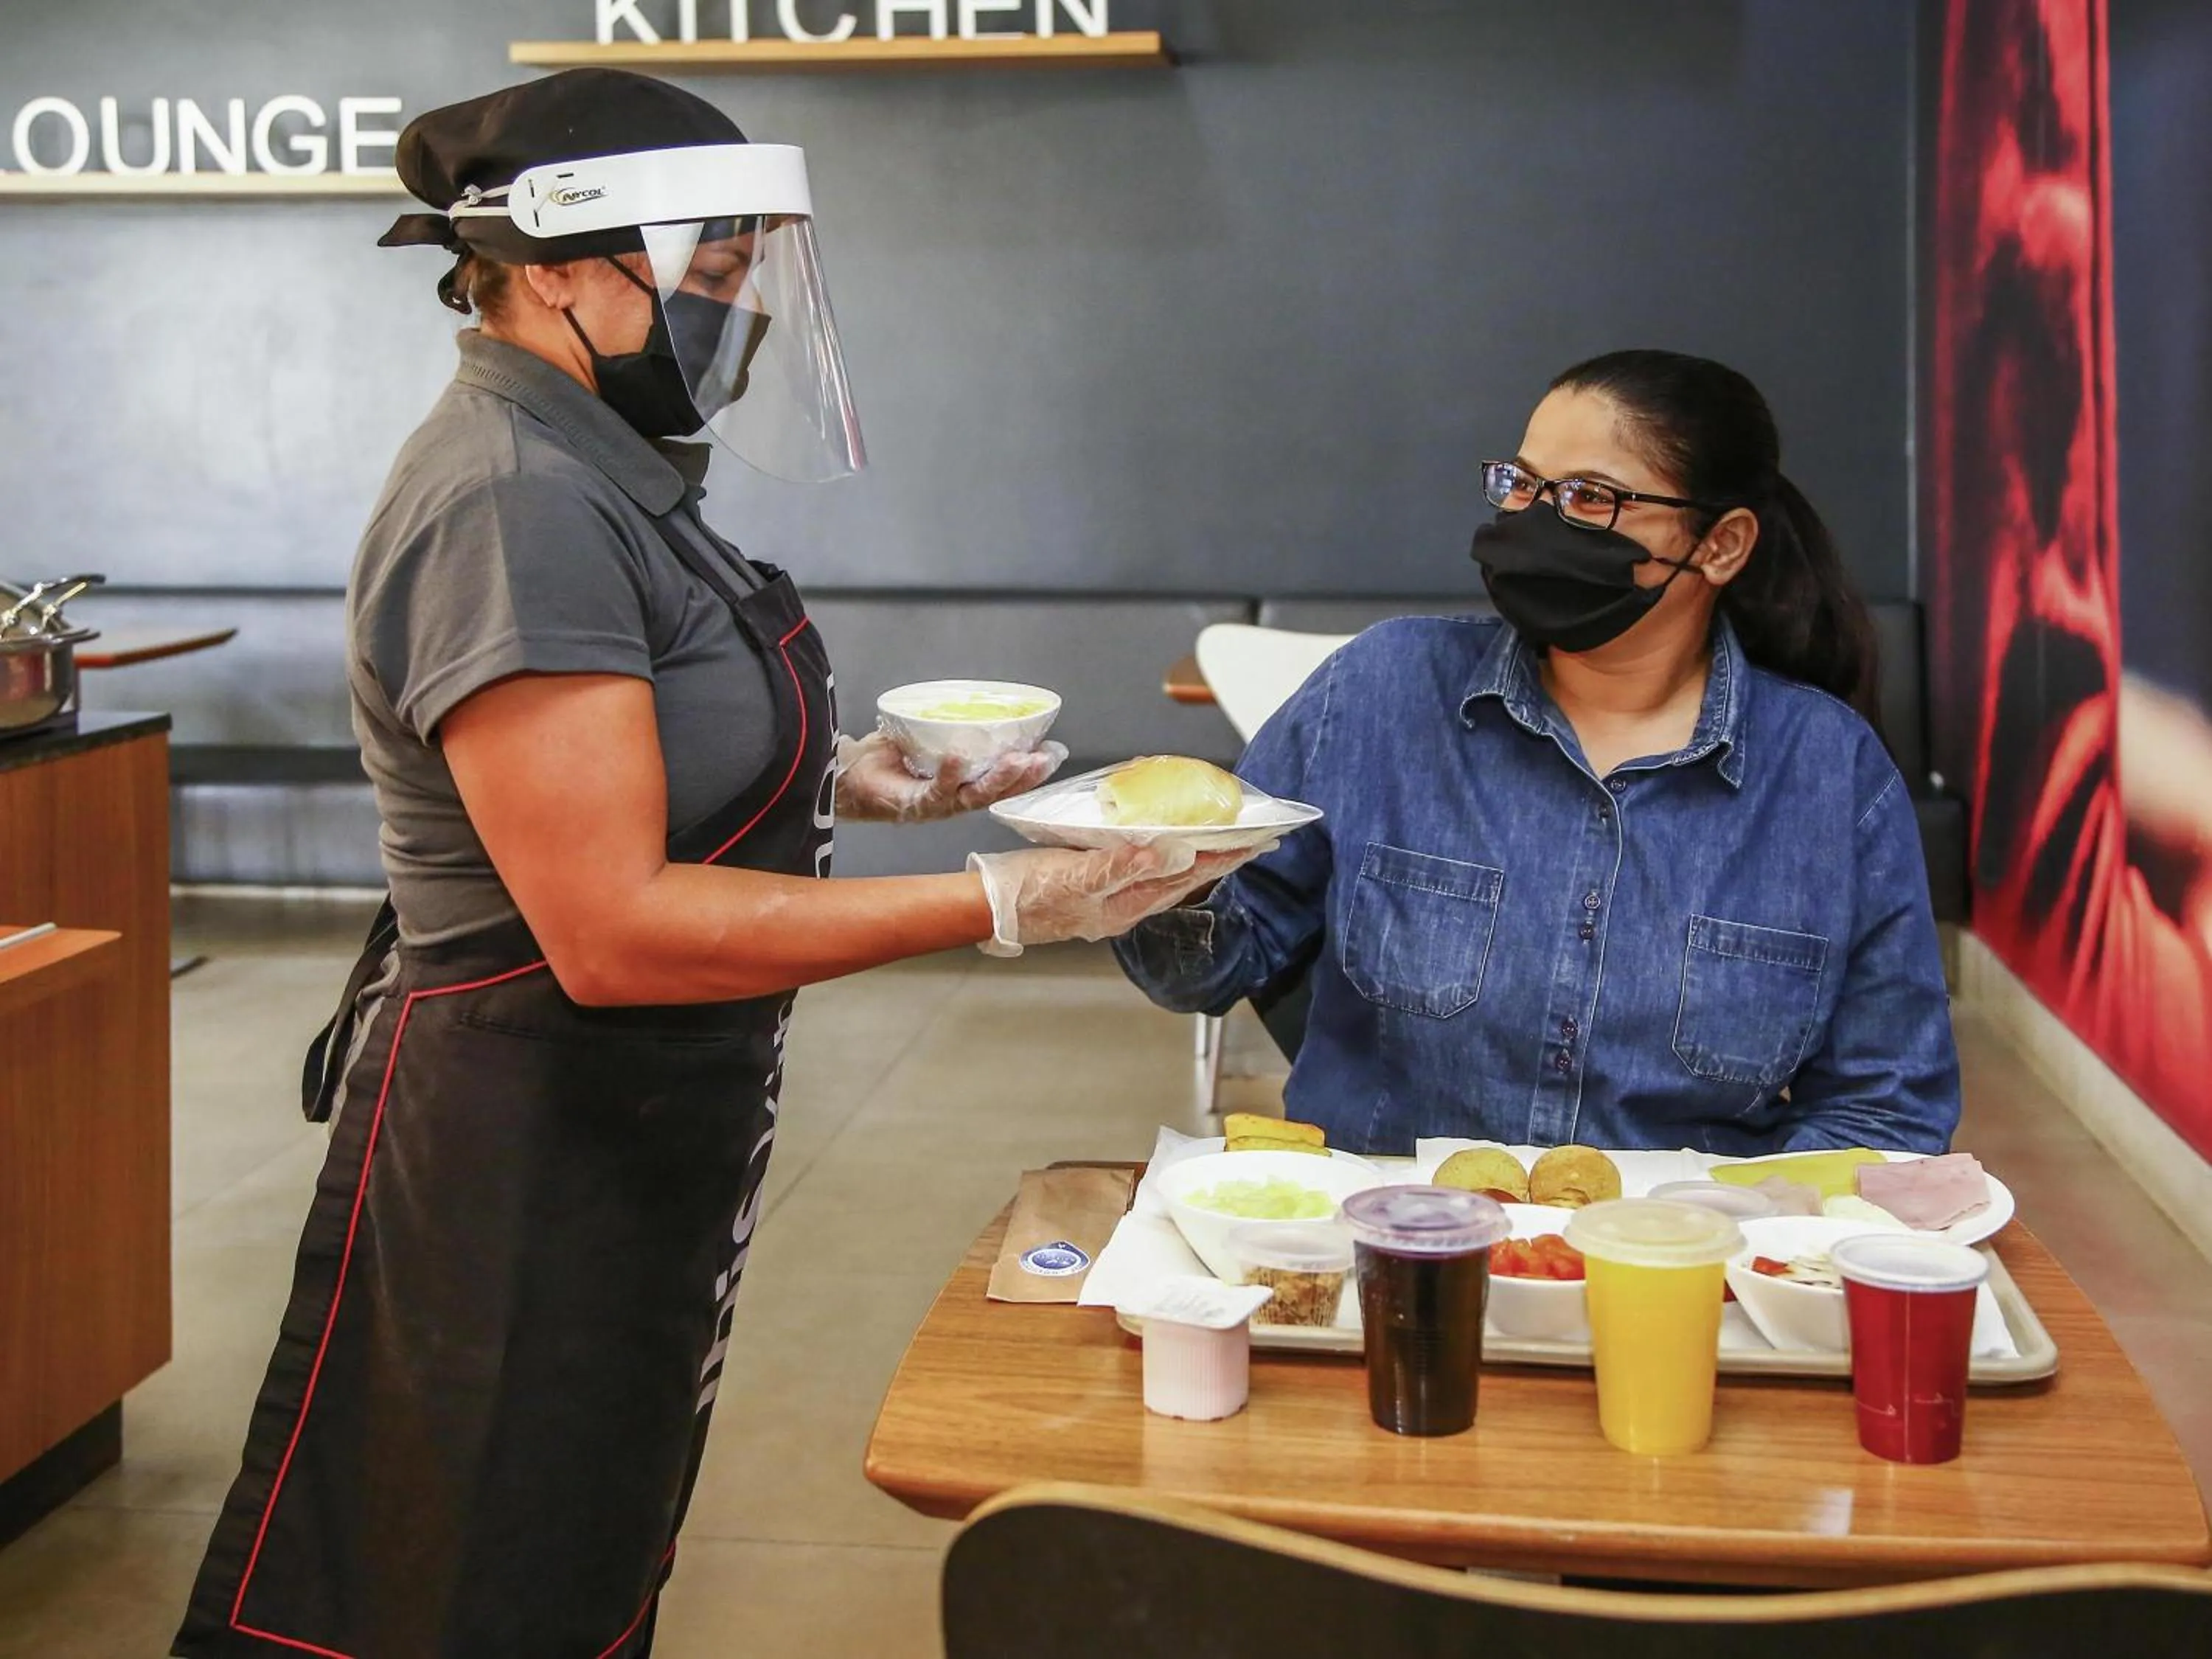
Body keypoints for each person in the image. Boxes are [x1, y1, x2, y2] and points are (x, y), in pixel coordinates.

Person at [175, 70, 1245, 1659]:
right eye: (718, 273)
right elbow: (608, 927)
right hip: (521, 1131)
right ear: (559, 270)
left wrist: (842, 779)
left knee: (580, 1537)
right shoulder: (514, 501)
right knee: (462, 1573)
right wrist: (1002, 902)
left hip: (628, 1120)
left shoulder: (602, 467)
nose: (737, 317)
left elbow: (633, 756)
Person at [1116, 349, 1961, 1157]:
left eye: (1591, 497)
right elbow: (1212, 964)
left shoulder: (1828, 775)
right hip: (1384, 1229)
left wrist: (1745, 1229)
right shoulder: (1381, 691)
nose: (1535, 522)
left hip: (1674, 1246)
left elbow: (1885, 1108)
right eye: (1523, 485)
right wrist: (1139, 872)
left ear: (1721, 545)